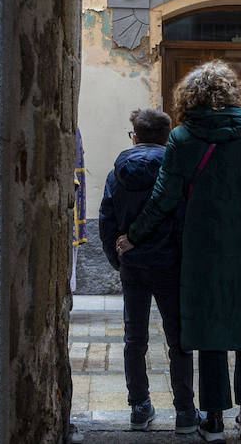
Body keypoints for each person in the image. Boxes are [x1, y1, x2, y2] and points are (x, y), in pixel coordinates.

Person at [116, 62, 241, 443]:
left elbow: (164, 197)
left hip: (202, 246)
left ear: (188, 97)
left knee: (210, 329)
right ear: (229, 93)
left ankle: (214, 420)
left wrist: (135, 235)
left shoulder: (182, 138)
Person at [98, 109, 198, 434]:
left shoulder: (117, 173)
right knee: (178, 340)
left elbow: (106, 220)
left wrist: (117, 260)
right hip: (170, 265)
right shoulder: (177, 171)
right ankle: (184, 411)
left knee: (134, 338)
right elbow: (185, 218)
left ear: (135, 136)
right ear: (168, 137)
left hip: (134, 265)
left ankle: (139, 407)